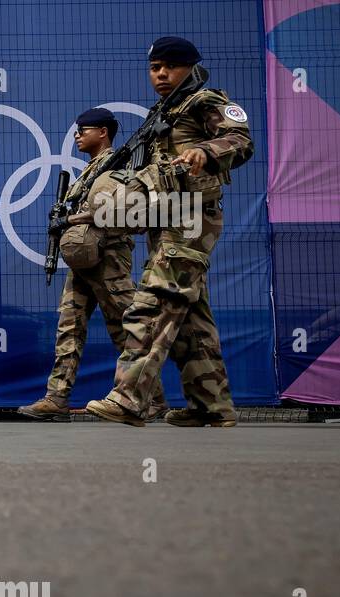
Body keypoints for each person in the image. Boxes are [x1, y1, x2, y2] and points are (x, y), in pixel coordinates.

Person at [86, 36, 253, 428]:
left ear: (190, 68)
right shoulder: (162, 110)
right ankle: (212, 407)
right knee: (190, 317)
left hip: (193, 219)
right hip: (167, 219)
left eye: (170, 66)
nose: (161, 74)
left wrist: (205, 152)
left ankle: (128, 398)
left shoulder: (206, 101)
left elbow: (241, 141)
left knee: (155, 301)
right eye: (154, 67)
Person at [19, 107, 166, 421]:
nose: (77, 136)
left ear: (103, 132)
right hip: (84, 258)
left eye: (83, 130)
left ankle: (152, 399)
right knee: (68, 328)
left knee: (126, 328)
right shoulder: (88, 172)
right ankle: (57, 398)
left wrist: (70, 219)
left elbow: (129, 212)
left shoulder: (121, 169)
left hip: (109, 258)